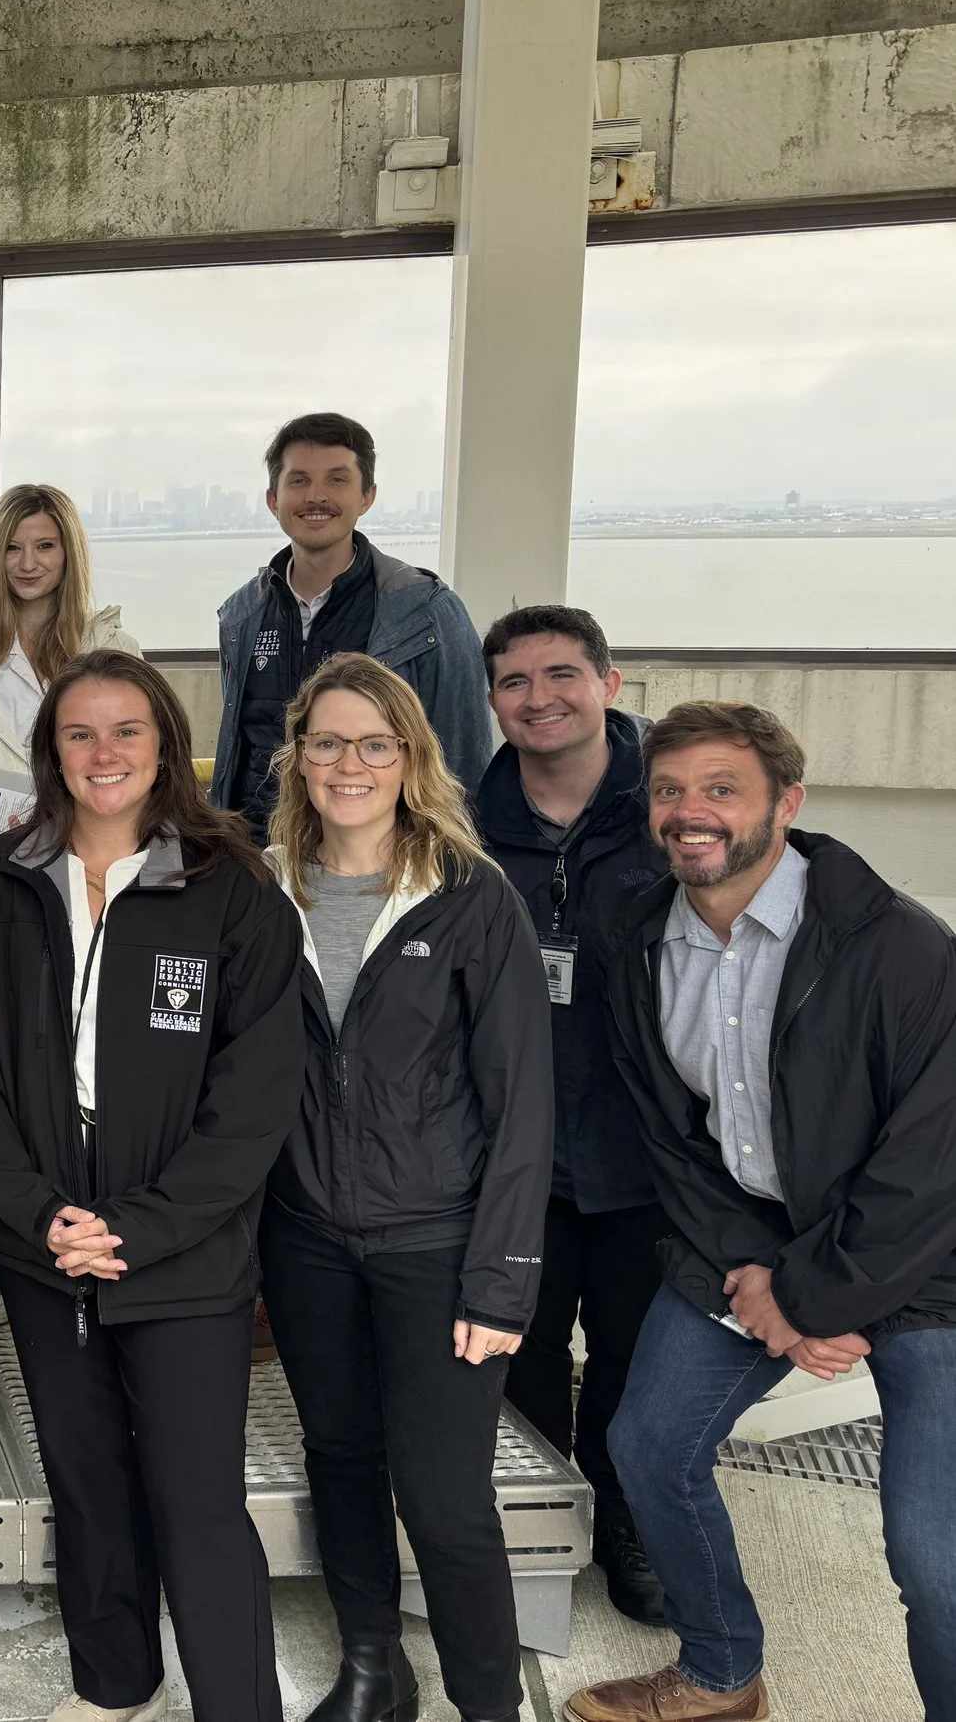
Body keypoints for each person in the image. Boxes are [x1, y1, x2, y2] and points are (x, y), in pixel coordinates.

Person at [0, 647, 303, 1722]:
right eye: (79, 733)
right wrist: (39, 1213)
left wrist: (136, 1226)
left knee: (197, 1504)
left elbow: (257, 1092)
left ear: (164, 745)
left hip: (184, 1253)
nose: (104, 754)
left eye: (126, 731)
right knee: (88, 1485)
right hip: (46, 1247)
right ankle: (114, 1685)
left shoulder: (227, 886)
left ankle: (237, 1706)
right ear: (49, 749)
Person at [567, 703, 956, 1722]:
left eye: (719, 789)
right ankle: (719, 1674)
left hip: (925, 1260)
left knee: (937, 1556)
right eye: (666, 790)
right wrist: (756, 1269)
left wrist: (810, 1297)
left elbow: (927, 1167)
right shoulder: (636, 933)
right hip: (750, 1239)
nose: (688, 813)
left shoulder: (903, 948)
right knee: (647, 1443)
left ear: (786, 802)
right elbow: (671, 1128)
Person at [261, 651, 552, 1722]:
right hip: (305, 1239)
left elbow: (523, 1104)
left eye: (373, 743)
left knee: (442, 1496)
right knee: (338, 1456)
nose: (349, 763)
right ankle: (374, 1669)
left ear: (409, 758)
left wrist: (501, 1280)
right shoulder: (262, 887)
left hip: (439, 1243)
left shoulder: (470, 899)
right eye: (327, 741)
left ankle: (490, 1704)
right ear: (297, 757)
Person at [473, 604, 673, 1626]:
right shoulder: (464, 827)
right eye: (513, 681)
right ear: (491, 701)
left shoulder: (671, 814)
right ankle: (534, 1522)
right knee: (521, 1357)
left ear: (609, 682)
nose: (538, 698)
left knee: (640, 1364)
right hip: (518, 1157)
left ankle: (630, 1526)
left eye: (561, 675)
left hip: (649, 1157)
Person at [0, 482, 139, 1330]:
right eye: (14, 547)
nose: (30, 563)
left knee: (92, 1076)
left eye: (45, 545)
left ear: (68, 554)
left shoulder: (112, 649)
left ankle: (93, 1248)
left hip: (99, 895)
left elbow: (133, 775)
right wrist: (21, 856)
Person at [212, 412, 489, 842]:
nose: (316, 496)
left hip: (380, 859)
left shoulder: (425, 612)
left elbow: (462, 758)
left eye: (337, 480)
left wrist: (447, 868)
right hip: (259, 858)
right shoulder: (241, 614)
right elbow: (238, 749)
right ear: (273, 499)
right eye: (299, 480)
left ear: (367, 496)